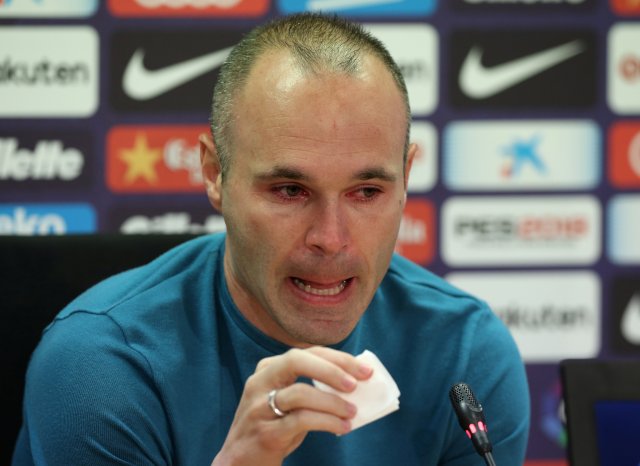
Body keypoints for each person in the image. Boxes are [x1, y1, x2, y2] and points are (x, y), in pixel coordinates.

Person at [12, 13, 530, 466]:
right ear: (215, 173)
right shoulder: (99, 367)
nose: (330, 238)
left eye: (367, 191)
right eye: (289, 190)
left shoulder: (467, 354)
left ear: (407, 177)